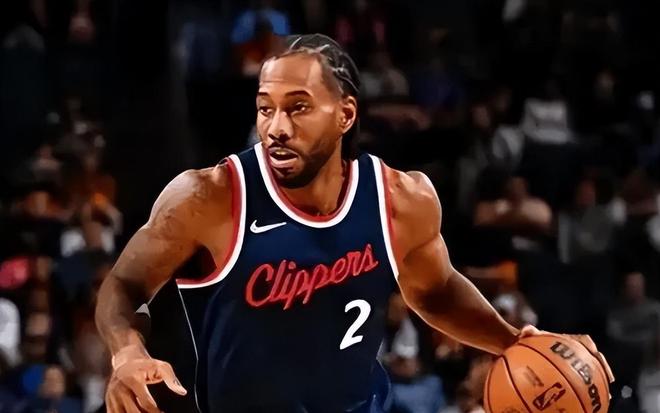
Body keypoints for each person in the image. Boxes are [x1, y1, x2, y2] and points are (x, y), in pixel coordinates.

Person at [94, 34, 610, 413]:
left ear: (345, 115)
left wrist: (514, 341)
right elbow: (123, 285)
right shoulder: (209, 197)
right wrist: (127, 353)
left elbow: (433, 291)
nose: (276, 128)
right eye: (265, 109)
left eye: (298, 108)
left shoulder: (401, 200)